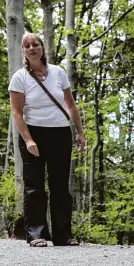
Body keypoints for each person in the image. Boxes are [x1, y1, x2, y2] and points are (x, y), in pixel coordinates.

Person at [8, 33, 86, 247]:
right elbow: (16, 112)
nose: (32, 48)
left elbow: (70, 104)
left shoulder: (58, 73)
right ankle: (36, 234)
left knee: (60, 185)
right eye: (27, 46)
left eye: (36, 44)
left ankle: (63, 235)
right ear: (23, 51)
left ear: (42, 47)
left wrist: (79, 132)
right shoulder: (20, 77)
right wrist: (28, 140)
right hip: (33, 133)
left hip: (60, 132)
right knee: (34, 185)